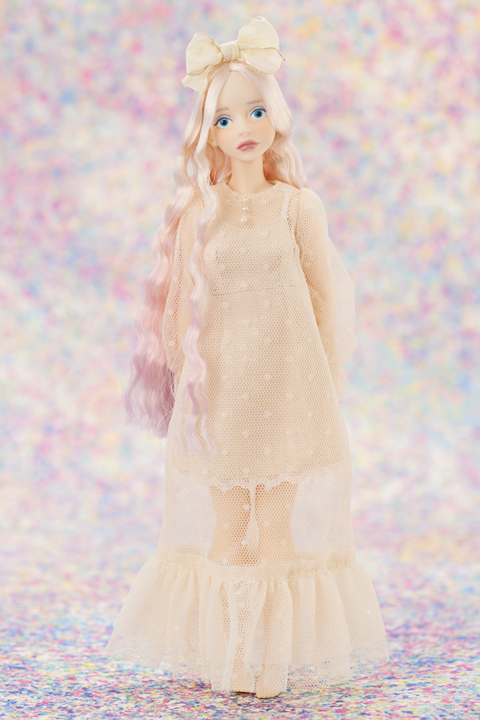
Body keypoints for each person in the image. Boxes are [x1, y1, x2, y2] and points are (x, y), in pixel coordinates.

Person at [106, 16, 389, 699]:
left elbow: (325, 300)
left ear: (276, 116)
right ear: (210, 133)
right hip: (224, 397)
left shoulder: (297, 207)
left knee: (279, 533)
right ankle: (233, 655)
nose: (245, 127)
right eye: (228, 118)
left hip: (290, 393)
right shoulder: (198, 215)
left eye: (257, 110)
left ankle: (274, 662)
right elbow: (177, 312)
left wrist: (325, 377)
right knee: (230, 531)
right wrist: (186, 386)